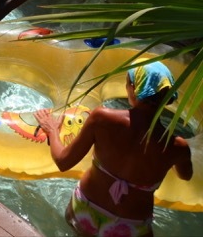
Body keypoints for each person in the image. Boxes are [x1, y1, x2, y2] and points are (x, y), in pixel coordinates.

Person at [34, 61, 192, 237]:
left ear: (133, 88)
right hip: (131, 225)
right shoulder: (177, 147)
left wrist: (52, 130)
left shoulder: (101, 118)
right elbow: (186, 176)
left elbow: (63, 161)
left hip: (86, 209)